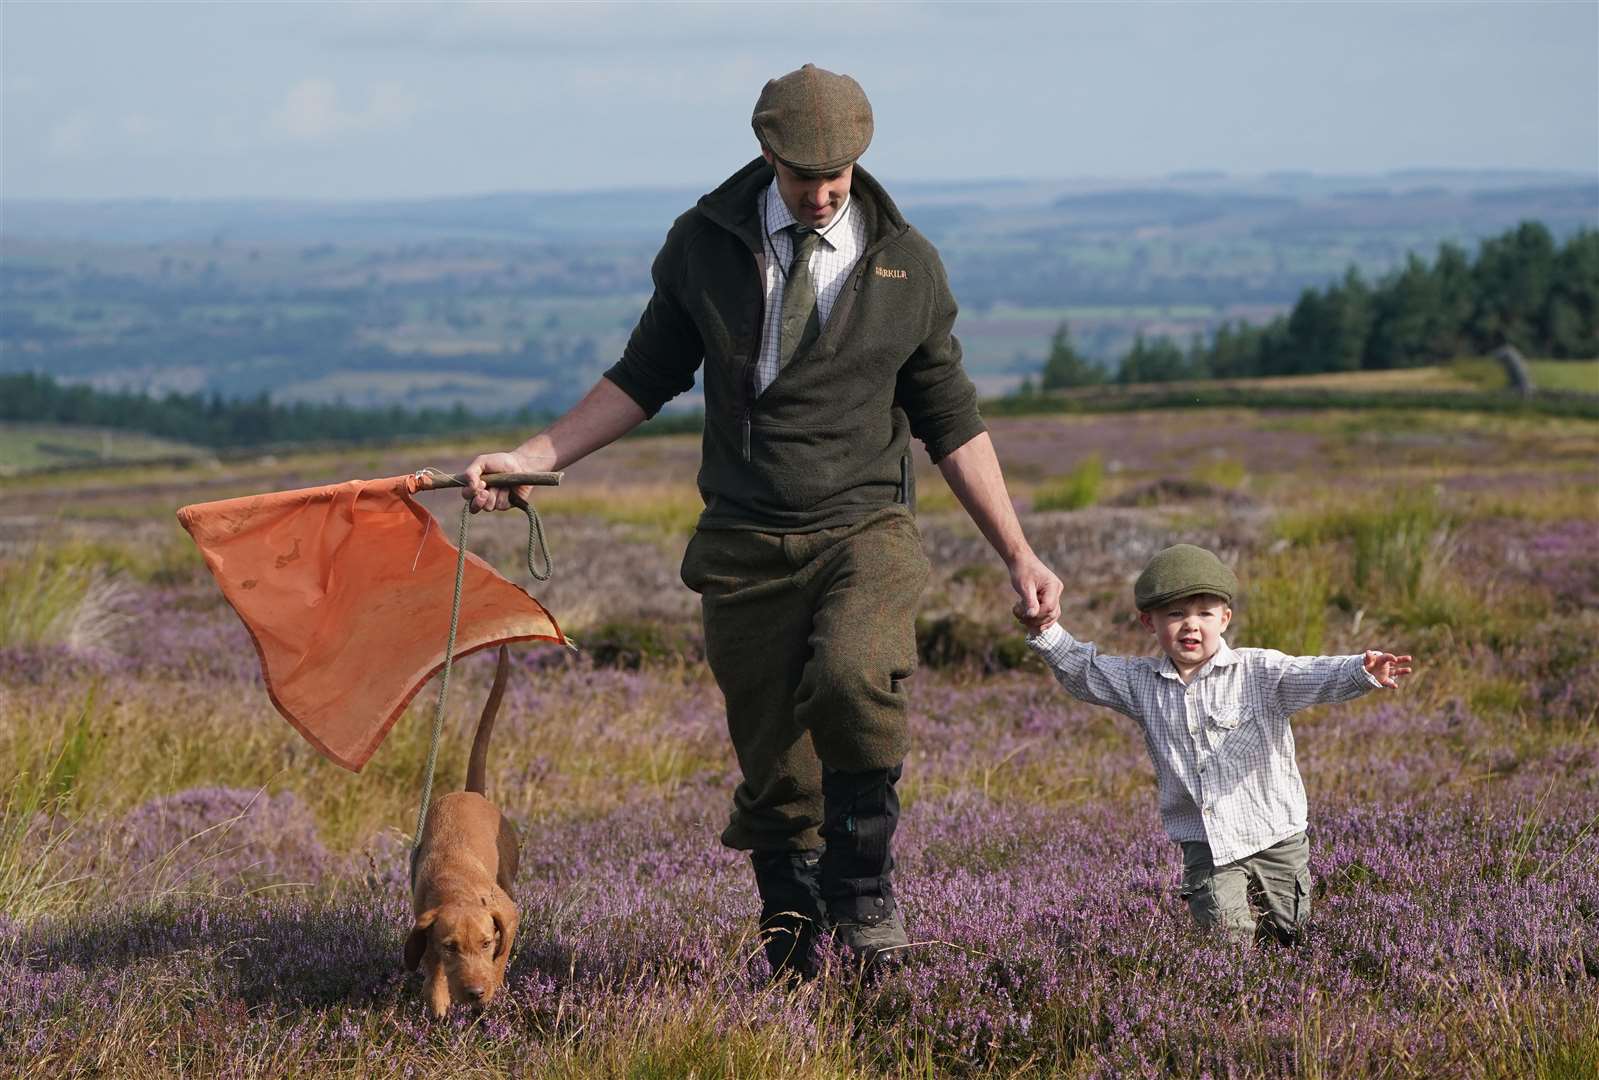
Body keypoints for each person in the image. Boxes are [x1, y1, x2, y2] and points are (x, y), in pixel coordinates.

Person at [463, 63, 1062, 979]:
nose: (820, 196)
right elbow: (643, 374)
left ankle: (866, 901)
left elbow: (950, 419)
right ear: (767, 155)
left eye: (838, 177)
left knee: (857, 677)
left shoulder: (908, 266)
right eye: (801, 177)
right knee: (775, 759)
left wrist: (1017, 552)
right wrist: (535, 457)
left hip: (864, 525)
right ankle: (792, 945)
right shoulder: (703, 246)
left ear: (859, 163)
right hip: (742, 541)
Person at [1022, 543, 1413, 945]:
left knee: (1290, 936)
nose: (1191, 625)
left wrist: (1359, 671)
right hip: (1204, 842)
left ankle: (1291, 999)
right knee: (1226, 942)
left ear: (1224, 618)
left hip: (1274, 833)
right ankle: (1235, 1004)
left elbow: (1310, 674)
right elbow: (1086, 672)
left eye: (1204, 614)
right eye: (1175, 614)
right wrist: (1044, 631)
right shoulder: (1141, 683)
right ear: (1148, 621)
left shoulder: (1257, 671)